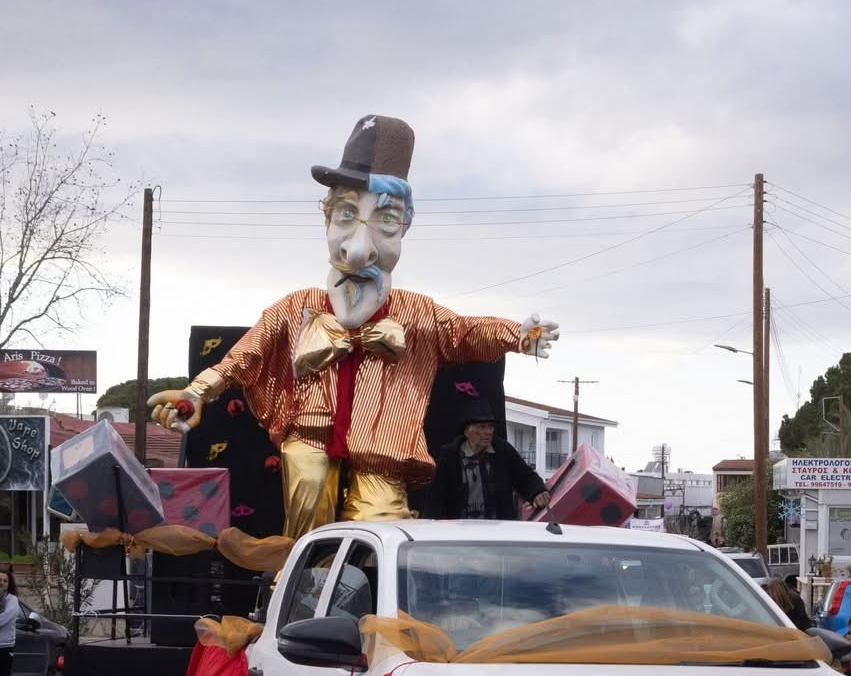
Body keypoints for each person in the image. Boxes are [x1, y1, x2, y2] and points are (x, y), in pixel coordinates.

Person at [148, 115, 559, 540]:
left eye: (385, 220)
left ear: (405, 225)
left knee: (380, 528)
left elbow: (465, 332)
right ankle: (301, 588)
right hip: (310, 434)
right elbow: (245, 356)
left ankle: (372, 596)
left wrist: (518, 335)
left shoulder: (415, 313)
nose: (360, 249)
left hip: (382, 445)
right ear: (326, 217)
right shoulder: (298, 307)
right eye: (347, 213)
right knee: (308, 508)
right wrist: (196, 392)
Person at [429, 401, 550, 520]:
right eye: (481, 427)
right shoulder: (449, 456)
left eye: (490, 427)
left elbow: (525, 476)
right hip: (459, 532)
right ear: (466, 432)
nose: (488, 432)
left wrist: (537, 491)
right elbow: (436, 499)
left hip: (497, 532)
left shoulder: (503, 450)